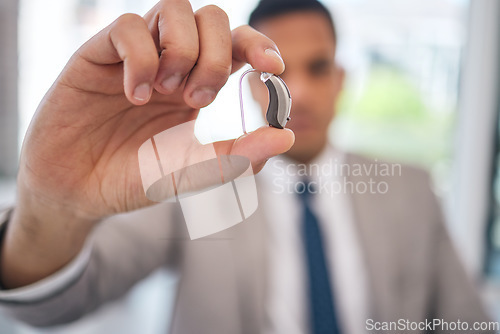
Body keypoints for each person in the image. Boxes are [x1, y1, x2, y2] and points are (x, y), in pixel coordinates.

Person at [0, 0, 494, 333]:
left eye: (318, 68)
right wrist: (51, 205)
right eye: (277, 72)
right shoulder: (193, 183)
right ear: (254, 86)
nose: (296, 92)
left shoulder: (411, 189)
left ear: (341, 78)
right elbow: (54, 302)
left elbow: (465, 320)